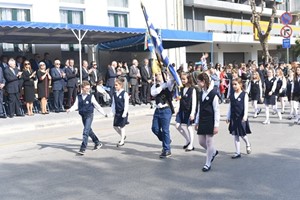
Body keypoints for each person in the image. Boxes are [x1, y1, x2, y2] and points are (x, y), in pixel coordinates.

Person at [67, 80, 108, 155]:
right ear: (82, 88)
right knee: (89, 131)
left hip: (89, 115)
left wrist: (104, 113)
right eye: (86, 88)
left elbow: (97, 106)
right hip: (83, 115)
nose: (88, 90)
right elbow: (75, 106)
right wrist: (70, 109)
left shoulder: (91, 96)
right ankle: (97, 142)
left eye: (89, 88)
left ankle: (83, 148)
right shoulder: (78, 96)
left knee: (85, 131)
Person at [195, 72, 220, 172]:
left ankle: (208, 163)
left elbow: (216, 110)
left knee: (209, 142)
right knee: (201, 142)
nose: (197, 83)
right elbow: (199, 108)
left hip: (210, 120)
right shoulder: (201, 93)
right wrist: (196, 121)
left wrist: (216, 125)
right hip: (202, 119)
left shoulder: (214, 93)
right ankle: (213, 152)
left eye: (198, 81)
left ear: (204, 81)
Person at [151, 72, 175, 158]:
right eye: (157, 75)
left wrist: (170, 73)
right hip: (157, 110)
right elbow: (154, 93)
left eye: (160, 75)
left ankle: (167, 149)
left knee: (165, 130)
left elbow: (172, 80)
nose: (158, 76)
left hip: (166, 109)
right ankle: (167, 140)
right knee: (154, 129)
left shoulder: (168, 85)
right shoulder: (155, 86)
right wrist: (161, 86)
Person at [226, 78, 251, 159]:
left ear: (240, 84)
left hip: (241, 117)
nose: (234, 86)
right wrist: (228, 116)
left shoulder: (244, 94)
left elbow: (246, 106)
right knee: (235, 135)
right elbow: (230, 107)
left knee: (242, 134)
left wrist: (245, 116)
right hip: (233, 117)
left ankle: (247, 144)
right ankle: (237, 152)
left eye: (236, 84)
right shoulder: (232, 95)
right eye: (233, 84)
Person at [175, 72, 197, 151]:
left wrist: (192, 113)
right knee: (177, 125)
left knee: (189, 127)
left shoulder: (192, 89)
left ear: (189, 79)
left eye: (184, 79)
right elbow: (179, 99)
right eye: (182, 79)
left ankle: (191, 144)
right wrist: (177, 108)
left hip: (189, 110)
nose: (182, 80)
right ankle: (187, 140)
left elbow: (194, 102)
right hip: (182, 110)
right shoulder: (181, 89)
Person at [112, 78, 129, 147]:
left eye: (116, 85)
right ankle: (123, 135)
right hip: (117, 112)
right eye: (115, 85)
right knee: (115, 126)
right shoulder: (115, 94)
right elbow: (113, 104)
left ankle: (122, 141)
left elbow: (126, 104)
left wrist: (125, 112)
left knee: (122, 127)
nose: (115, 86)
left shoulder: (124, 93)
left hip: (123, 112)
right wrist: (113, 112)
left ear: (120, 85)